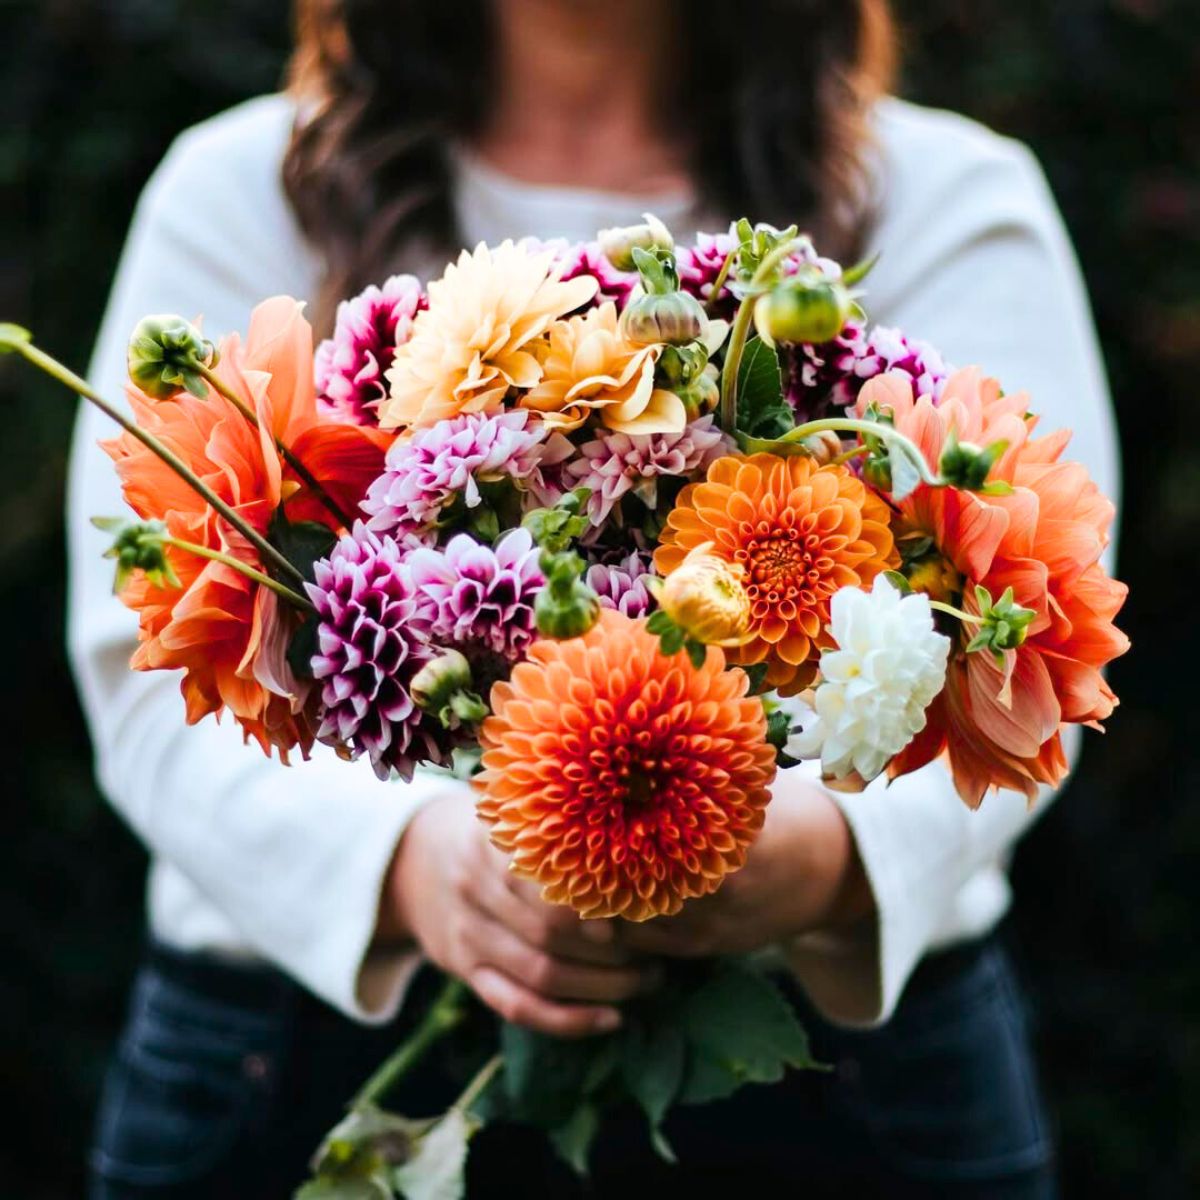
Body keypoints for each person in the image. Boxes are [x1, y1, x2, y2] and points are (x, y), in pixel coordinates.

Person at [70, 1, 1118, 1196]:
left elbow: (1036, 649)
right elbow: (143, 658)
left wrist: (815, 860)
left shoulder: (947, 194)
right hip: (301, 1049)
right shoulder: (242, 187)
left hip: (845, 1079)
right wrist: (416, 871)